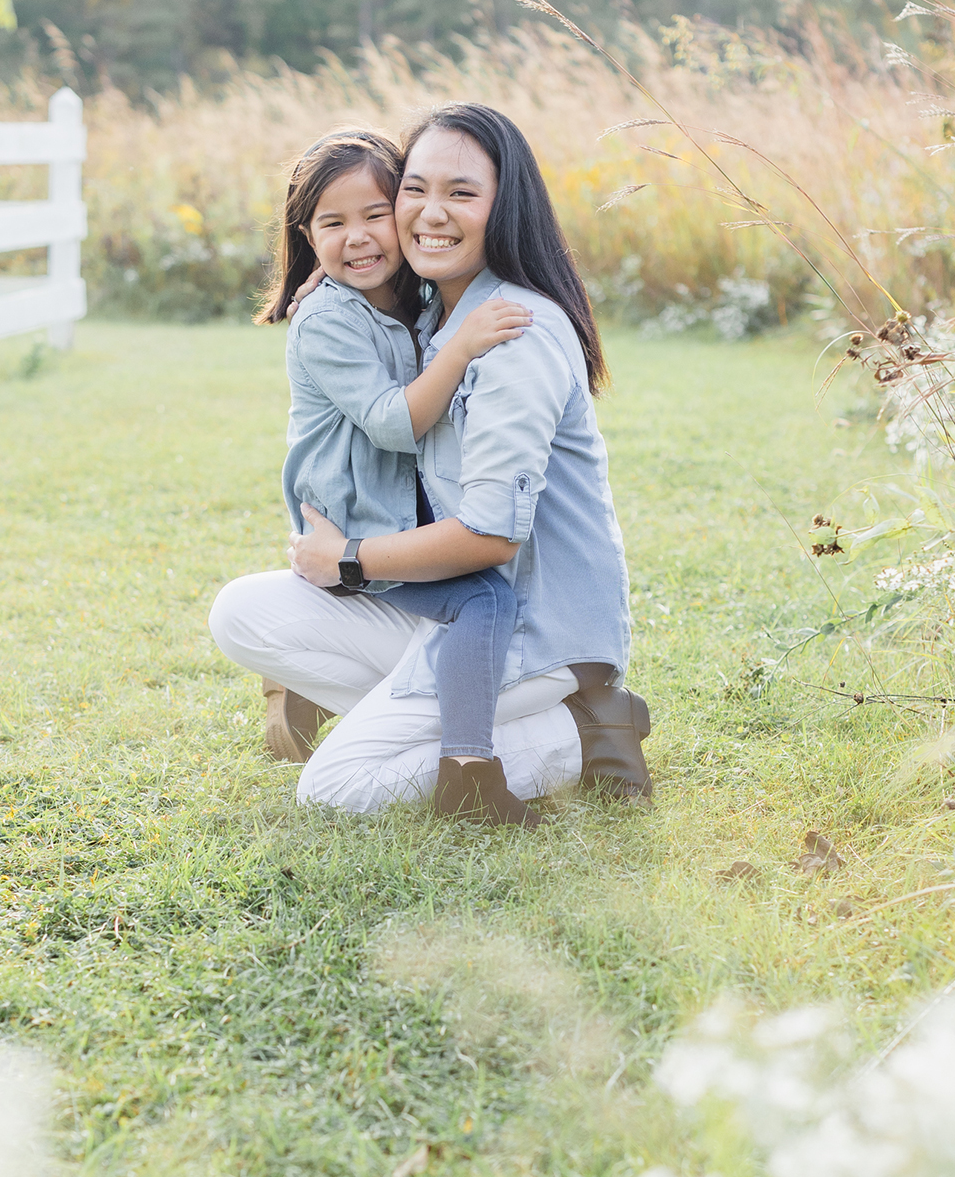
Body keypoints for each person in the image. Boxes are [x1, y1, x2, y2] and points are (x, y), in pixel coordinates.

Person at [211, 103, 651, 813]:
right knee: (237, 611)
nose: (430, 213)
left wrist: (348, 558)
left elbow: (492, 535)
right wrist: (337, 269)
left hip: (530, 627)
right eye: (415, 190)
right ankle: (456, 723)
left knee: (335, 789)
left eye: (461, 193)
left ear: (505, 207)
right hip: (454, 606)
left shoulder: (510, 333)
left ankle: (577, 728)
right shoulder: (428, 310)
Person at [253, 127, 544, 823]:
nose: (357, 237)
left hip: (394, 509)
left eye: (373, 214)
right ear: (306, 236)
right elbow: (391, 422)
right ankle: (469, 771)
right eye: (333, 223)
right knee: (484, 603)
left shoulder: (410, 299)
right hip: (359, 524)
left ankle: (311, 689)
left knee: (472, 602)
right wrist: (467, 341)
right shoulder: (325, 320)